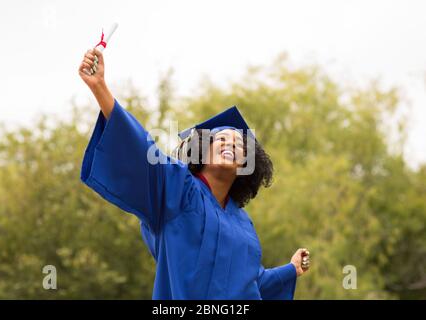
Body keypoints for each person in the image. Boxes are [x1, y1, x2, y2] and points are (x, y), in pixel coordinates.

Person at [78, 48, 310, 299]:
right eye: (221, 138)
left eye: (239, 144)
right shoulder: (177, 189)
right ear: (202, 149)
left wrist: (291, 270)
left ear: (245, 164)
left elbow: (252, 282)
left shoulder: (244, 226)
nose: (231, 144)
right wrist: (100, 87)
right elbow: (141, 150)